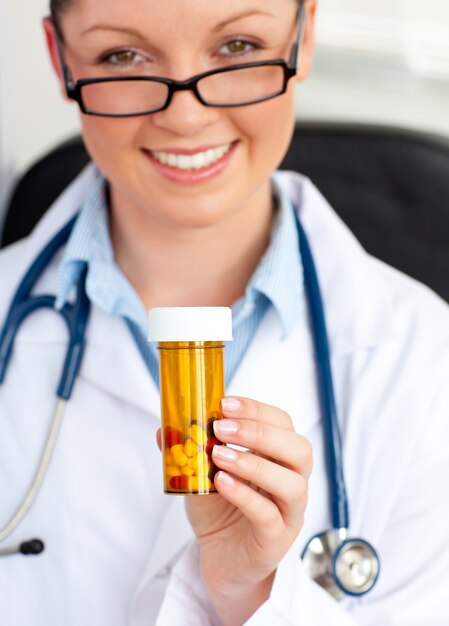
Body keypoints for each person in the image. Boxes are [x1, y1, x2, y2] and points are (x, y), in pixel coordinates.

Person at [0, 0, 448, 624]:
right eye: (122, 56)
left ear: (304, 35)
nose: (185, 116)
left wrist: (247, 597)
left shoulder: (426, 360)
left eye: (237, 47)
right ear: (61, 58)